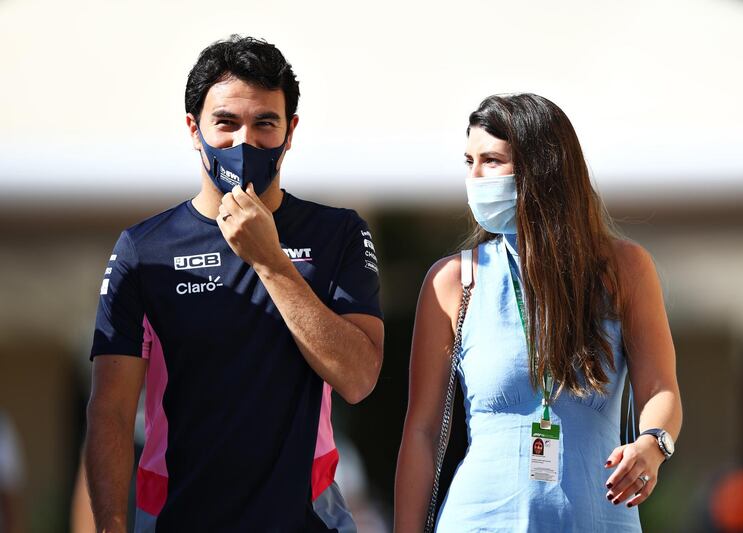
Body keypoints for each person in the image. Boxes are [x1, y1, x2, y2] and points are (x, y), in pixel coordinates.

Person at [85, 35, 384, 533]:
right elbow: (110, 412)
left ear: (290, 132)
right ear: (193, 128)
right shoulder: (143, 249)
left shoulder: (339, 234)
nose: (245, 141)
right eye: (225, 122)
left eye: (265, 123)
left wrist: (271, 262)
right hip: (177, 517)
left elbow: (358, 378)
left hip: (308, 517)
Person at [394, 93, 682, 532]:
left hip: (598, 518)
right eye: (468, 161)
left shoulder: (623, 269)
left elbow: (661, 388)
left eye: (491, 161)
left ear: (542, 168)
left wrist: (652, 444)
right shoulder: (454, 279)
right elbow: (422, 432)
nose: (474, 177)